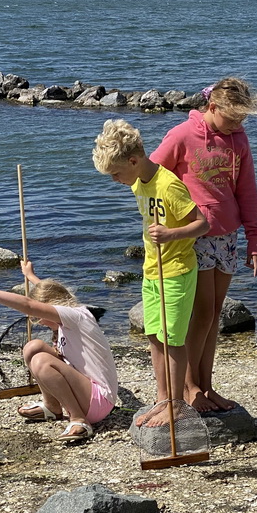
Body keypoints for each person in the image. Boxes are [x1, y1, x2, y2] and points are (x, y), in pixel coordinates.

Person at [151, 77, 257, 414]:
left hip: (227, 236)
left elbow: (247, 190)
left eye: (242, 119)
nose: (237, 125)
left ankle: (206, 384)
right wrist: (167, 222)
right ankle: (189, 387)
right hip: (194, 237)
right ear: (212, 107)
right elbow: (152, 177)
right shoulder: (182, 135)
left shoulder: (239, 139)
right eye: (232, 118)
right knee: (199, 314)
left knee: (214, 314)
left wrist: (254, 238)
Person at [92, 119, 210, 427]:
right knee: (154, 337)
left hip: (176, 271)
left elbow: (202, 224)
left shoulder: (168, 184)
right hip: (151, 270)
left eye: (116, 173)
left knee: (172, 340)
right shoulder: (137, 181)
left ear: (134, 160)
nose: (115, 180)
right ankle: (162, 399)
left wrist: (171, 235)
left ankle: (177, 404)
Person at [0, 260, 120, 443]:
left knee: (41, 362)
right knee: (32, 347)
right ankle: (52, 407)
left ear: (53, 307)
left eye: (41, 316)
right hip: (85, 391)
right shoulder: (68, 313)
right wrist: (30, 276)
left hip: (98, 403)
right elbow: (53, 294)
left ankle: (79, 420)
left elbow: (28, 304)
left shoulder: (77, 316)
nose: (41, 322)